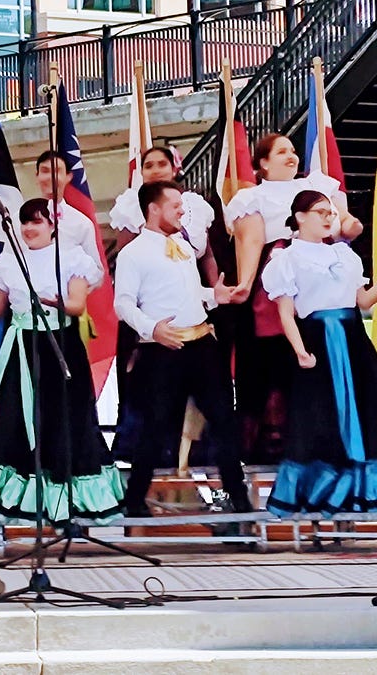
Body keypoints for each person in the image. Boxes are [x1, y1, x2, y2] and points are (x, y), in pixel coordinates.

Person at [261, 190, 377, 517]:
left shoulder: (344, 255)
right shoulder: (287, 259)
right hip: (318, 338)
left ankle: (367, 493)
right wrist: (300, 350)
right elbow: (285, 313)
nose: (327, 217)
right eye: (320, 211)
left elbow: (363, 301)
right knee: (322, 419)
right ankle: (325, 494)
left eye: (330, 212)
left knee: (372, 410)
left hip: (352, 338)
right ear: (300, 217)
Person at [0, 198, 122, 524]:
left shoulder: (72, 258)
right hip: (22, 346)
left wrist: (57, 301)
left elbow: (77, 305)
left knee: (63, 417)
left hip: (59, 346)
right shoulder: (11, 261)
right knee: (16, 418)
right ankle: (15, 497)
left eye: (37, 221)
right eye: (25, 222)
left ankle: (65, 497)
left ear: (53, 225)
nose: (29, 228)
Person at [116, 181, 251, 517]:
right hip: (164, 349)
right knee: (155, 426)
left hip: (202, 344)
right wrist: (152, 329)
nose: (181, 210)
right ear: (154, 209)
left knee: (223, 420)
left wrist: (212, 296)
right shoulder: (132, 253)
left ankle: (238, 497)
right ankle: (134, 502)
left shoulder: (184, 246)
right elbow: (123, 303)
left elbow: (191, 294)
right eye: (174, 204)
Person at [225, 133, 359, 462]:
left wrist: (351, 225)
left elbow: (342, 223)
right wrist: (244, 283)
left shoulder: (319, 186)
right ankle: (273, 444)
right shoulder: (251, 198)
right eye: (282, 151)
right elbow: (252, 242)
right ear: (263, 163)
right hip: (280, 270)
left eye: (294, 150)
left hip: (319, 273)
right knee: (273, 356)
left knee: (321, 350)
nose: (292, 156)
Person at [108, 146, 220, 466]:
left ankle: (195, 456)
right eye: (148, 164)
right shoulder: (132, 208)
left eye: (162, 163)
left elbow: (207, 255)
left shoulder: (193, 209)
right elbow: (129, 260)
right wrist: (148, 323)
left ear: (175, 168)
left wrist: (216, 294)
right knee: (154, 396)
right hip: (152, 314)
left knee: (208, 396)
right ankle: (147, 464)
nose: (155, 168)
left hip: (194, 308)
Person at [33, 150, 103, 266]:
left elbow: (95, 271)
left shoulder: (82, 223)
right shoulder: (19, 220)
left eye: (57, 171)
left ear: (68, 177)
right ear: (37, 176)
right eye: (45, 171)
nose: (50, 177)